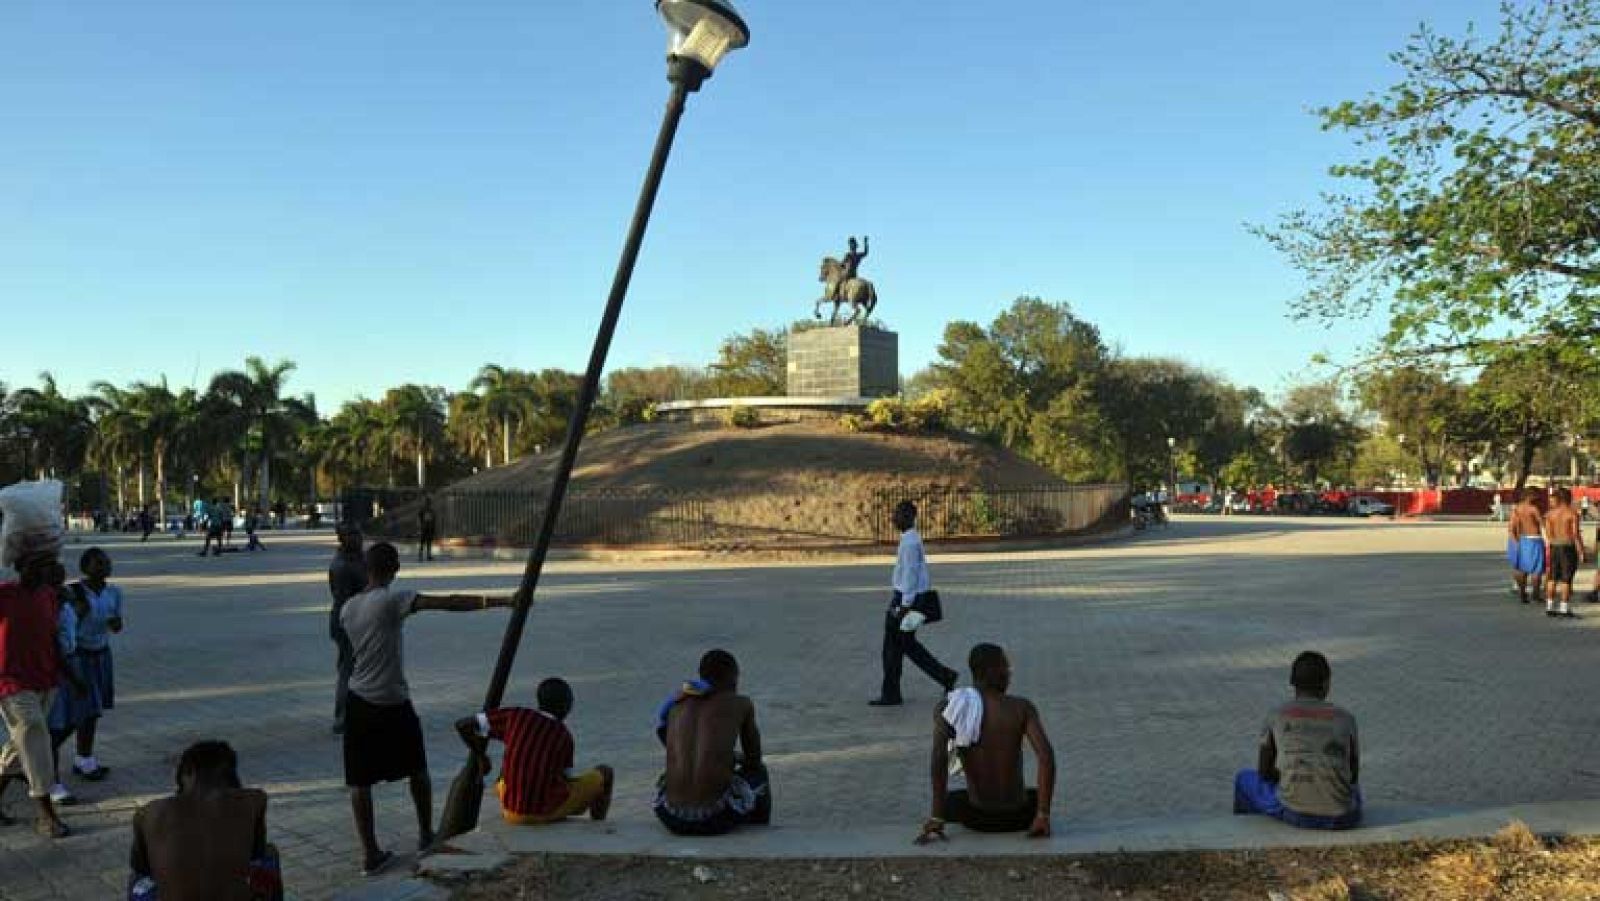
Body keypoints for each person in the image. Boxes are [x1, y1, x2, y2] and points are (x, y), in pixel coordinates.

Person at [340, 542, 513, 874]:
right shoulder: (391, 601)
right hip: (392, 699)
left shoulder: (349, 608)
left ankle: (370, 853)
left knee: (359, 780)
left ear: (366, 568)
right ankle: (425, 833)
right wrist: (501, 600)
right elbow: (447, 603)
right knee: (417, 768)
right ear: (395, 569)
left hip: (358, 700)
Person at [915, 643, 1056, 844]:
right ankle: (1040, 817)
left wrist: (937, 816)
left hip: (976, 817)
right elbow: (1046, 758)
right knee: (1034, 795)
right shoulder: (1022, 708)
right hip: (1020, 816)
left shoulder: (950, 707)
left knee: (953, 800)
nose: (1009, 674)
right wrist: (1042, 814)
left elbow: (939, 758)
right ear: (993, 671)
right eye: (1006, 668)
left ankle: (940, 816)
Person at [129, 740, 282, 901]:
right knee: (270, 854)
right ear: (230, 774)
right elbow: (256, 854)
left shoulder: (148, 812)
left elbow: (141, 867)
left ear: (187, 773)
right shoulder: (254, 799)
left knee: (137, 879)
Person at [454, 677, 614, 825]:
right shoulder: (563, 735)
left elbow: (462, 725)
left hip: (510, 810)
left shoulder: (515, 716)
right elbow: (568, 779)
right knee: (605, 773)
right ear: (565, 705)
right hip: (541, 813)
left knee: (509, 764)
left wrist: (481, 756)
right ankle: (598, 827)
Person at [1233, 651, 1361, 830]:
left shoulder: (1276, 716)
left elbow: (1264, 772)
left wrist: (1289, 775)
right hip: (1343, 818)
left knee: (1243, 779)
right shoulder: (1346, 719)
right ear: (1327, 684)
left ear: (1292, 682)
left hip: (1297, 814)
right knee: (1355, 791)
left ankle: (1248, 833)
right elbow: (1353, 776)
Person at [654, 649, 771, 836]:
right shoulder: (741, 703)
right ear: (734, 678)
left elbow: (667, 740)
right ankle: (760, 831)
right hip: (714, 819)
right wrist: (734, 759)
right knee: (759, 773)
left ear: (702, 676)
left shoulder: (678, 703)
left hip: (670, 816)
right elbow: (754, 760)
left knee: (674, 772)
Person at [0, 550, 72, 837]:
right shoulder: (4, 594)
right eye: (34, 565)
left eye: (46, 565)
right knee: (34, 734)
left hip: (45, 678)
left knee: (21, 746)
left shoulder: (48, 596)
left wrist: (68, 675)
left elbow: (51, 636)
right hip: (10, 681)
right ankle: (45, 813)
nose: (41, 571)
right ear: (19, 566)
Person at [871, 500, 957, 706]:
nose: (893, 518)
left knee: (892, 648)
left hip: (904, 599)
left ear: (909, 517)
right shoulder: (911, 539)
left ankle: (892, 694)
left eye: (898, 514)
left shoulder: (909, 543)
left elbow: (911, 575)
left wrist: (904, 605)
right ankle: (944, 676)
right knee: (906, 645)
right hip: (909, 597)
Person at [328, 522, 365, 735]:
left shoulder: (350, 560)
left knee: (348, 666)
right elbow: (346, 600)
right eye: (355, 536)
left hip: (348, 619)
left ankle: (349, 712)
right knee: (347, 670)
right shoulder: (344, 565)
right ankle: (341, 717)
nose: (360, 541)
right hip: (349, 621)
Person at [1544, 487, 1586, 619]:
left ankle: (1549, 606)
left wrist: (1551, 545)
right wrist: (1581, 551)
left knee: (1552, 578)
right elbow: (1575, 534)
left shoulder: (1549, 514)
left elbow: (1548, 534)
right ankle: (1564, 608)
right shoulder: (1572, 514)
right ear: (1567, 498)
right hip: (1567, 547)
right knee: (1566, 579)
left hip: (1554, 546)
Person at [1507, 488, 1547, 604]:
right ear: (1529, 496)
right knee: (1536, 570)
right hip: (1535, 539)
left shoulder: (1517, 509)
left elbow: (1511, 527)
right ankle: (1535, 594)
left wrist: (1515, 542)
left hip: (1522, 540)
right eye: (1535, 496)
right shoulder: (1533, 509)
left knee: (1521, 569)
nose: (1537, 498)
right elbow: (1542, 524)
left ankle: (1522, 593)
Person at [417, 496, 437, 562]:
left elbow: (433, 520)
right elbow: (433, 520)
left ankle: (423, 555)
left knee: (425, 542)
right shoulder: (429, 510)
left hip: (426, 528)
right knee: (426, 542)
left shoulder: (428, 510)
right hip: (427, 528)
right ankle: (425, 555)